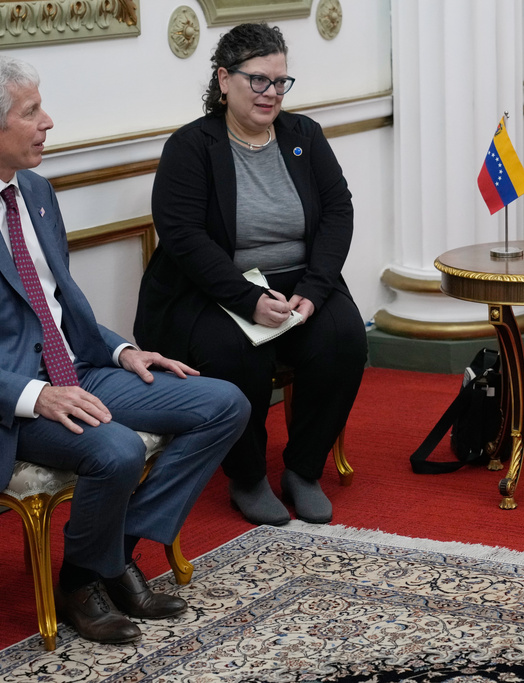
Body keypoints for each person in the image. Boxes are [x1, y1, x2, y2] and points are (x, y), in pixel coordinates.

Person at [0, 55, 251, 644]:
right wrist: (36, 395)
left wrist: (121, 352)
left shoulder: (33, 190)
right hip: (2, 406)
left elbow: (58, 307)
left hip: (78, 369)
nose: (48, 122)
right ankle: (94, 578)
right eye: (31, 112)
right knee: (114, 450)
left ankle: (98, 562)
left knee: (223, 404)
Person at [134, 23, 367, 527]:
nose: (271, 94)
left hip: (298, 280)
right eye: (258, 80)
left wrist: (313, 290)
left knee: (344, 337)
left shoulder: (303, 135)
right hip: (211, 290)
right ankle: (247, 477)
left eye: (281, 82)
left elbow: (337, 211)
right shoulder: (192, 146)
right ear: (223, 79)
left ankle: (303, 470)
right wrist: (246, 298)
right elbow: (183, 237)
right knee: (235, 352)